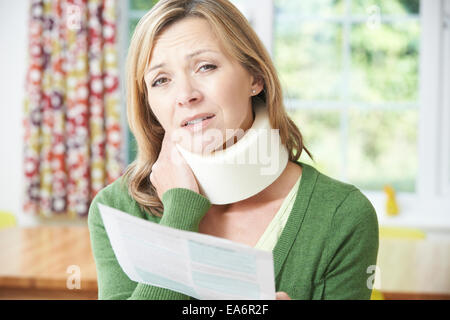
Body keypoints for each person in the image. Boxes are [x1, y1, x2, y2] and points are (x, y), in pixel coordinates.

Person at [88, 0, 379, 300]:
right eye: (161, 80)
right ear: (148, 103)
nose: (186, 95)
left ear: (255, 77)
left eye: (206, 66)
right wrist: (180, 212)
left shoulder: (343, 216)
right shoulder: (116, 210)